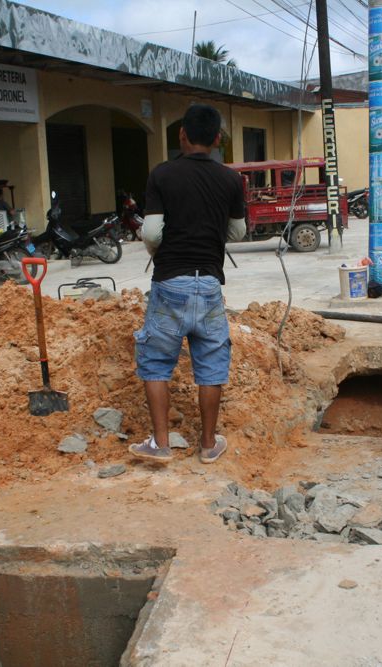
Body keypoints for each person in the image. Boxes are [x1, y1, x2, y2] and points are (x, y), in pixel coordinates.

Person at [129, 104, 246, 465]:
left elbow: (150, 232)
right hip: (209, 284)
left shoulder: (162, 174)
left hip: (169, 284)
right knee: (211, 365)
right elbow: (238, 232)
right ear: (216, 139)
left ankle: (161, 444)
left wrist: (162, 246)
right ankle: (209, 444)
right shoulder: (231, 180)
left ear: (181, 135)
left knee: (156, 362)